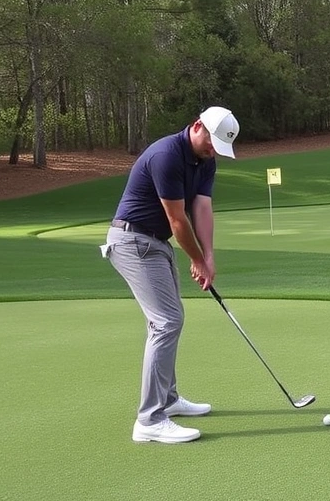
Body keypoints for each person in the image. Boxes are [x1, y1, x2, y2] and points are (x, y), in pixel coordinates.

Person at [101, 106, 240, 444]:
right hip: (132, 240)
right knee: (166, 322)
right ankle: (149, 419)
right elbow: (178, 220)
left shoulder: (205, 161)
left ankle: (169, 399)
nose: (213, 151)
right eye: (212, 144)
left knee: (169, 320)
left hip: (154, 243)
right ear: (197, 127)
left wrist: (208, 257)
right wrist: (196, 260)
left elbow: (202, 208)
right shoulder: (167, 155)